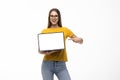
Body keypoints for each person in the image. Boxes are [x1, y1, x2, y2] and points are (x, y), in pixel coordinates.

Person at [39, 8, 83, 80]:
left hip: (61, 65)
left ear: (59, 17)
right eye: (51, 16)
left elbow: (80, 41)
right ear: (49, 17)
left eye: (56, 16)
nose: (54, 18)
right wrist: (48, 52)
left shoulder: (65, 30)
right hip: (47, 65)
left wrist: (79, 39)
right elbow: (40, 51)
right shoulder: (44, 31)